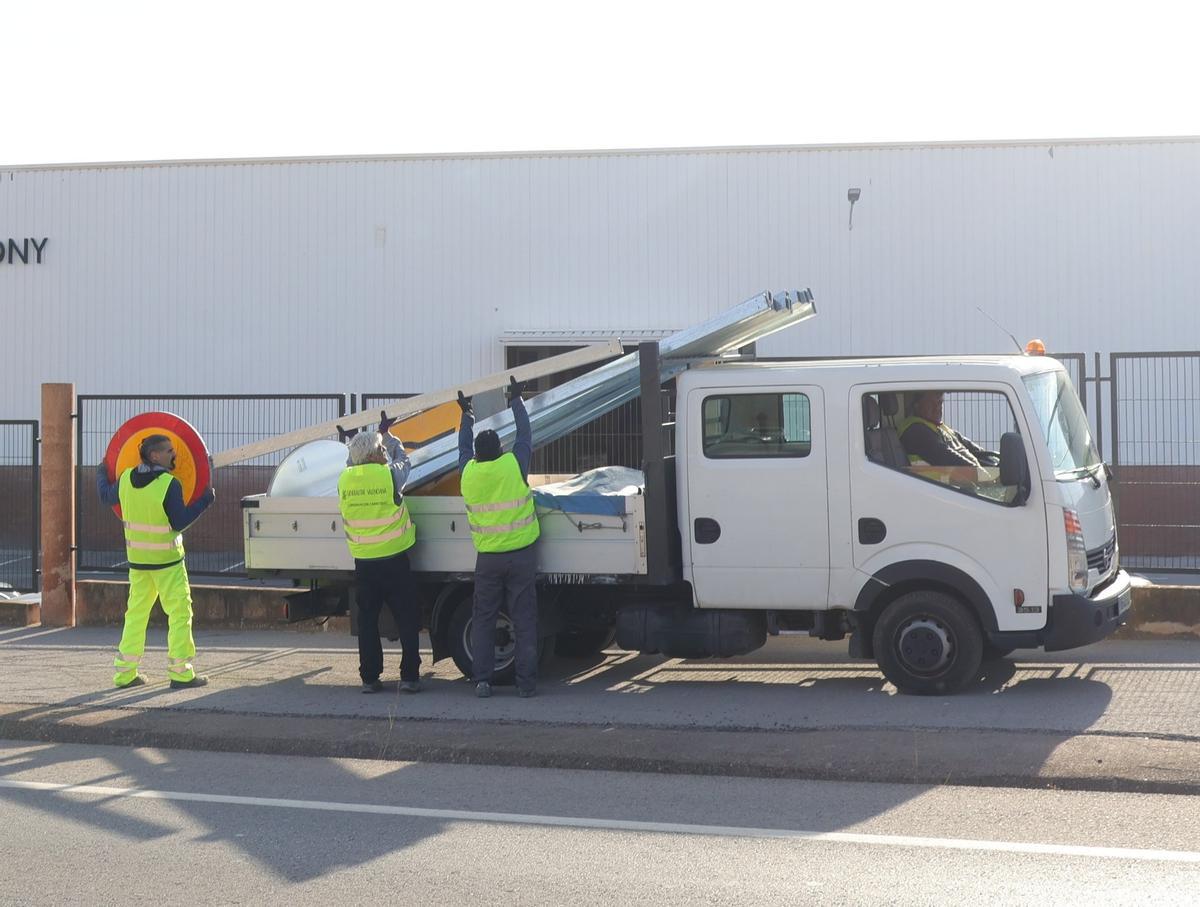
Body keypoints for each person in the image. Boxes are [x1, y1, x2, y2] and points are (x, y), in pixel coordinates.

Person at [95, 434, 215, 689]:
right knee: (180, 615)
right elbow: (180, 521)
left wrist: (101, 472)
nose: (175, 454)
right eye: (169, 451)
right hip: (168, 564)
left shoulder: (126, 478)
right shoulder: (169, 484)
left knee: (135, 617)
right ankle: (181, 673)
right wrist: (205, 500)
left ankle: (125, 674)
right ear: (154, 456)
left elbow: (105, 496)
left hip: (138, 564)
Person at [457, 376, 540, 698]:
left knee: (484, 618)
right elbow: (526, 436)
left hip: (488, 559)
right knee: (524, 619)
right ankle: (526, 684)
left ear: (477, 455)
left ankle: (482, 681)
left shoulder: (469, 473)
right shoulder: (513, 465)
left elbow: (462, 447)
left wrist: (466, 416)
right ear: (500, 449)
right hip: (521, 555)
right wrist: (516, 401)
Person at [337, 411, 423, 694]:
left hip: (364, 562)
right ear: (376, 453)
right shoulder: (389, 475)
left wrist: (355, 443)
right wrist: (387, 435)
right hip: (395, 560)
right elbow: (405, 460)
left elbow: (353, 462)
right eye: (381, 449)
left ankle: (370, 678)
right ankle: (409, 677)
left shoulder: (345, 480)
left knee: (368, 622)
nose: (385, 451)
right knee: (406, 619)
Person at [897, 390, 1000, 481]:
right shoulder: (915, 430)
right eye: (931, 404)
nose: (937, 408)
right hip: (939, 491)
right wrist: (982, 476)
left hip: (959, 486)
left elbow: (977, 452)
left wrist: (996, 465)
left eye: (940, 402)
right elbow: (947, 457)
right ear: (917, 405)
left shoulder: (941, 428)